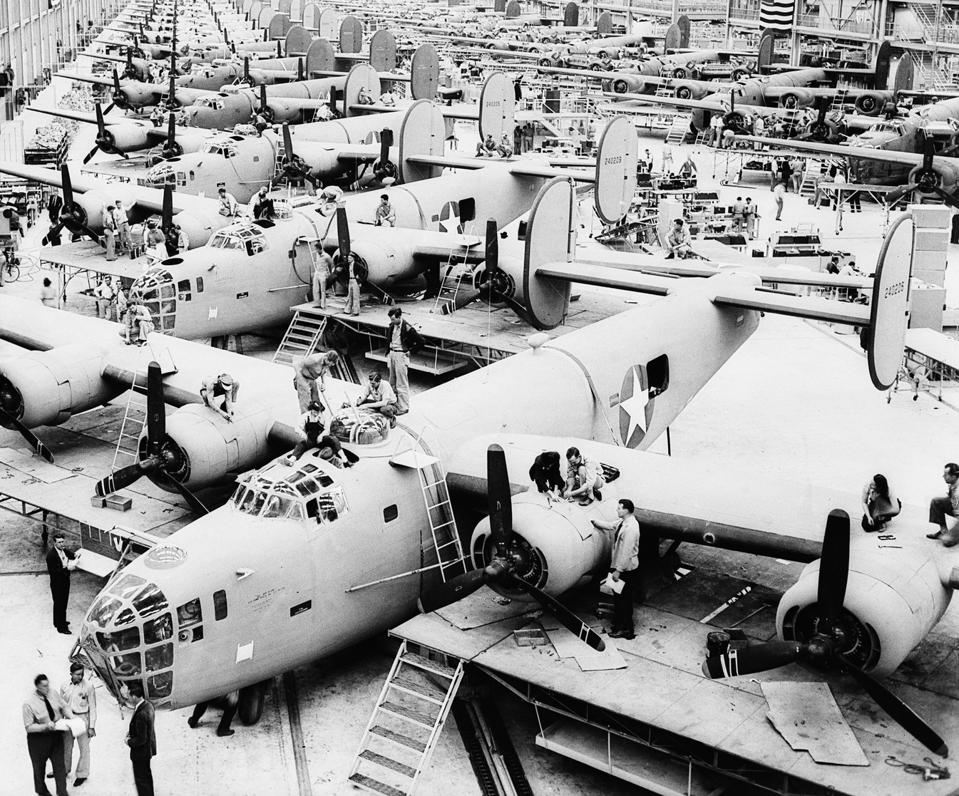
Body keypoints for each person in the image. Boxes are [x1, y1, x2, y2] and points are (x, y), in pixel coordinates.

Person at [591, 498, 641, 639]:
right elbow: (611, 526)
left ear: (626, 510)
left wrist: (618, 570)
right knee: (619, 598)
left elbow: (626, 551)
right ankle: (620, 625)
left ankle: (626, 629)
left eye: (619, 508)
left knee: (623, 600)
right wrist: (594, 522)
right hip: (620, 567)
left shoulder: (631, 528)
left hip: (625, 570)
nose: (617, 510)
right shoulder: (623, 522)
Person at [24, 674, 71, 796]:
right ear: (38, 687)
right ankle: (42, 791)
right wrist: (44, 726)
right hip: (38, 740)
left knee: (60, 766)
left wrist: (71, 715)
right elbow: (29, 727)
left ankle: (62, 793)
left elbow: (63, 705)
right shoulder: (29, 703)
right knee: (39, 769)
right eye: (44, 686)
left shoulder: (53, 693)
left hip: (56, 735)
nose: (47, 687)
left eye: (48, 684)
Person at [60, 663, 96, 787]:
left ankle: (82, 774)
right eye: (78, 674)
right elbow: (62, 706)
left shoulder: (89, 686)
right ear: (71, 674)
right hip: (69, 718)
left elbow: (93, 708)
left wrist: (91, 726)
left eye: (82, 674)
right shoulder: (64, 686)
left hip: (82, 718)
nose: (80, 677)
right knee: (66, 747)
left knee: (84, 749)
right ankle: (64, 770)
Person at [285, 401, 352, 467]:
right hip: (311, 439)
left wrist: (321, 436)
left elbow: (327, 429)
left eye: (318, 412)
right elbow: (297, 428)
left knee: (334, 439)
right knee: (301, 444)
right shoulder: (305, 416)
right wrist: (303, 434)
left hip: (321, 439)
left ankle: (345, 460)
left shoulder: (323, 416)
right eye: (314, 411)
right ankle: (292, 459)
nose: (316, 414)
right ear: (311, 410)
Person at [386, 307, 424, 415]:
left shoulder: (407, 328)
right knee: (392, 381)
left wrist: (411, 351)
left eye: (393, 319)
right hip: (392, 353)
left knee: (401, 383)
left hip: (401, 354)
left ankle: (403, 407)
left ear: (399, 317)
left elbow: (421, 341)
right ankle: (394, 403)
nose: (391, 321)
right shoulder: (392, 325)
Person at [123, 681, 156, 796]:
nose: (128, 698)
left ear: (134, 696)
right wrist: (133, 731)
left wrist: (128, 741)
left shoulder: (140, 713)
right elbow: (147, 729)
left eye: (129, 696)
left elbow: (141, 739)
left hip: (140, 753)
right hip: (147, 751)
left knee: (141, 781)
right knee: (146, 778)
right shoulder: (148, 705)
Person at [46, 532, 77, 634]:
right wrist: (68, 568)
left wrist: (75, 555)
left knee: (60, 604)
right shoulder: (51, 555)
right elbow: (54, 572)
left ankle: (58, 622)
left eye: (63, 541)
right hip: (58, 584)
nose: (62, 544)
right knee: (61, 605)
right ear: (54, 543)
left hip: (64, 581)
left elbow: (69, 554)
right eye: (59, 542)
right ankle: (62, 628)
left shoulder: (62, 550)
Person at [928, 462, 959, 542]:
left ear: (953, 476)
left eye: (946, 474)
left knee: (947, 541)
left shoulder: (958, 492)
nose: (943, 476)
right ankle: (943, 531)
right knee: (936, 502)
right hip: (956, 506)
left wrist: (952, 534)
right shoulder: (953, 483)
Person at [311, 240, 332, 309]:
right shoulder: (317, 254)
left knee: (323, 290)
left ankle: (323, 305)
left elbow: (330, 264)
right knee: (315, 288)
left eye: (317, 249)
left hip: (323, 273)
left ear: (320, 249)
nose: (316, 251)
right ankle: (317, 303)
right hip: (317, 272)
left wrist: (329, 273)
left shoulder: (326, 256)